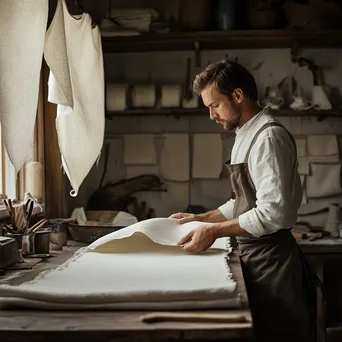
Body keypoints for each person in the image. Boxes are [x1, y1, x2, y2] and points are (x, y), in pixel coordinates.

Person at [170, 59, 319, 342]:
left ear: (237, 96)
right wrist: (200, 219)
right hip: (254, 256)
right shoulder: (245, 134)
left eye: (214, 105)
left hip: (272, 261)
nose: (211, 115)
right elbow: (241, 202)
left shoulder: (268, 137)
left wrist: (213, 231)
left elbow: (272, 213)